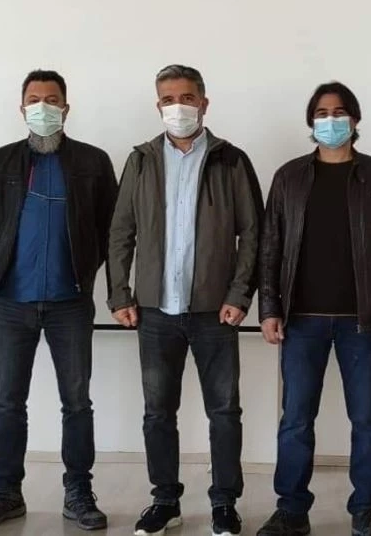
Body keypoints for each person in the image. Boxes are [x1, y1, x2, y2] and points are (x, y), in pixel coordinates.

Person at [108, 64, 264, 536]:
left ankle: (224, 504)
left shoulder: (230, 160)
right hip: (155, 311)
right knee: (158, 413)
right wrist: (119, 293)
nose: (178, 107)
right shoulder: (140, 161)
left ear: (204, 103)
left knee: (224, 413)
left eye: (187, 98)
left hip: (216, 311)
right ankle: (165, 501)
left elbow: (253, 234)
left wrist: (240, 294)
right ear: (158, 105)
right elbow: (121, 232)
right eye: (169, 99)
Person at [256, 82, 371, 536]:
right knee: (295, 420)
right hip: (301, 320)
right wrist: (269, 308)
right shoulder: (289, 177)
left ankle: (366, 511)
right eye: (322, 113)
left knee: (367, 421)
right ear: (311, 122)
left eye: (339, 112)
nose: (331, 120)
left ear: (355, 119)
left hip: (363, 321)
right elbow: (270, 248)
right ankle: (292, 511)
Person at [0, 70, 118, 532]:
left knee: (77, 402)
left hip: (71, 302)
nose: (43, 107)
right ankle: (6, 492)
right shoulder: (0, 162)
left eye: (52, 100)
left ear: (66, 109)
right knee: (9, 401)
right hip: (13, 301)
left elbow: (111, 228)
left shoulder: (93, 162)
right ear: (22, 108)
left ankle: (79, 491)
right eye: (34, 99)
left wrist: (91, 273)